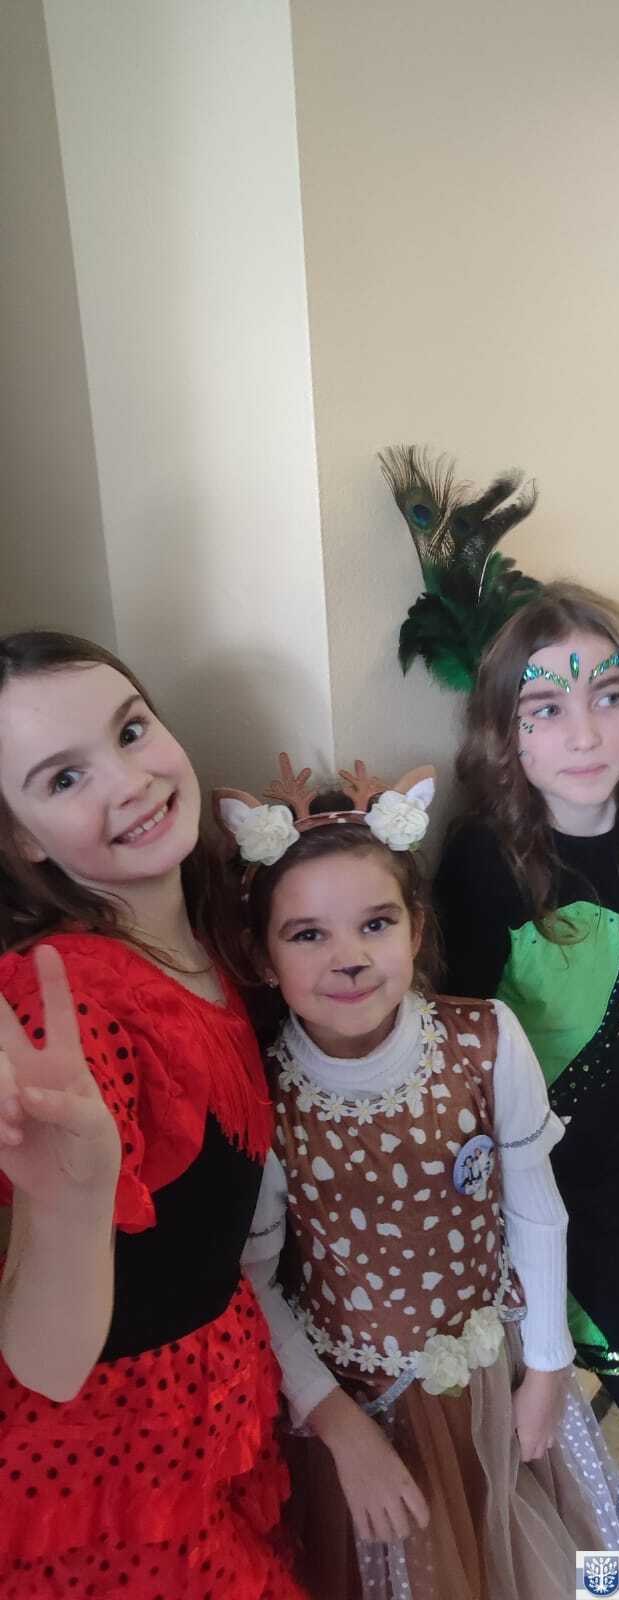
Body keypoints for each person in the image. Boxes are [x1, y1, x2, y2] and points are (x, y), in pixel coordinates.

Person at [215, 754, 619, 1600]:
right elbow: (254, 1282)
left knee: (532, 1549)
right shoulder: (262, 1094)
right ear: (263, 956)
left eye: (375, 924)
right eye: (308, 934)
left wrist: (548, 1368)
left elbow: (535, 1209)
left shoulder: (486, 1038)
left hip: (494, 1380)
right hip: (360, 1410)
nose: (349, 958)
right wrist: (338, 1425)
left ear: (415, 930)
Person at [0, 630, 307, 1600]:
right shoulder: (65, 996)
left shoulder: (209, 935)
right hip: (113, 1468)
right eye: (64, 778)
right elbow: (47, 1365)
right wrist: (72, 1200)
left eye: (131, 730)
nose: (129, 781)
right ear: (19, 839)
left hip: (215, 1394)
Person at [434, 581, 619, 1551]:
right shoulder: (487, 863)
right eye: (548, 708)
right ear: (505, 734)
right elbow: (460, 1061)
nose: (587, 732)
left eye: (609, 696)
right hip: (562, 1207)